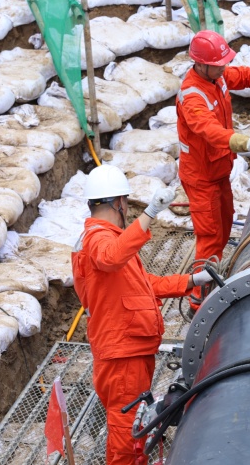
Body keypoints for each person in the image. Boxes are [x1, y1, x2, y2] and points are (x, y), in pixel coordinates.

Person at [71, 164, 213, 465]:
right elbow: (110, 258)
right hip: (123, 356)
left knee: (131, 427)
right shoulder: (99, 238)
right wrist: (149, 214)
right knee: (128, 436)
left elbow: (143, 284)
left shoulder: (105, 238)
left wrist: (189, 281)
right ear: (119, 203)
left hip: (129, 351)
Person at [177, 29, 250, 311]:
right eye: (219, 63)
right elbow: (207, 129)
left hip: (217, 170)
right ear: (201, 64)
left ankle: (213, 273)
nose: (224, 67)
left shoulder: (216, 77)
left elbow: (241, 75)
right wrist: (244, 142)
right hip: (201, 177)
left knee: (225, 222)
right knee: (209, 236)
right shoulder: (192, 95)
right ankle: (199, 299)